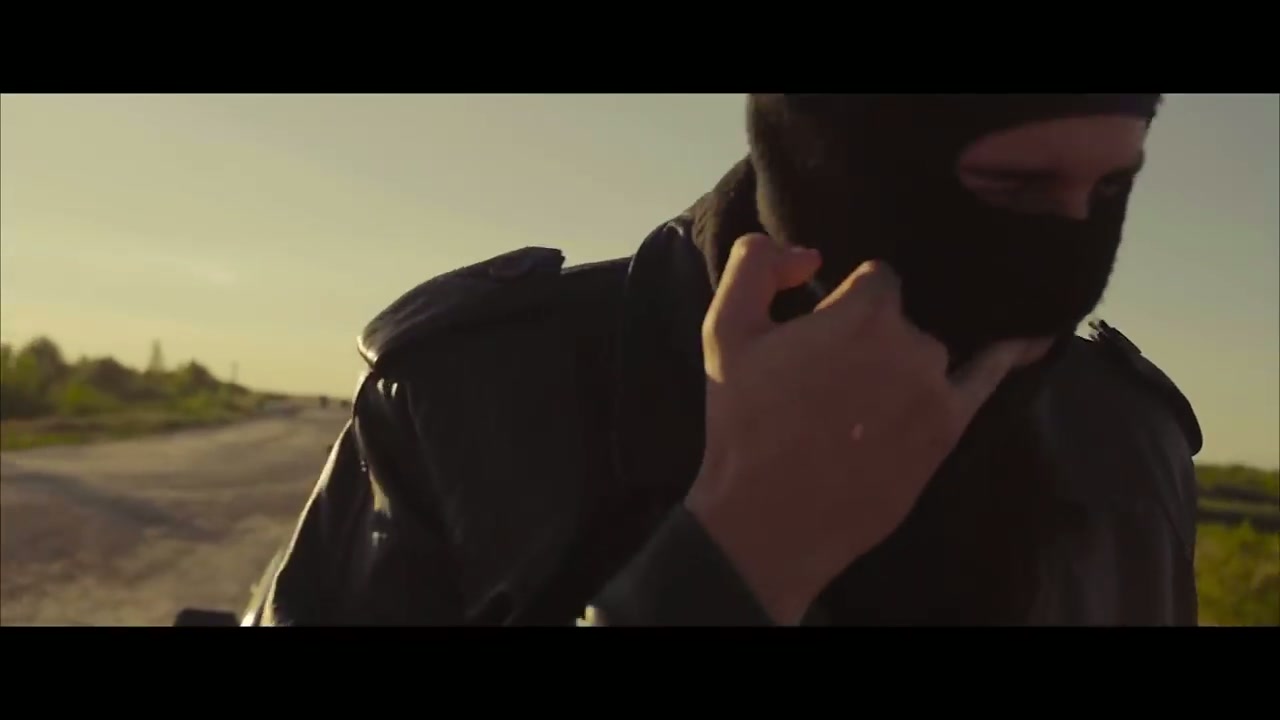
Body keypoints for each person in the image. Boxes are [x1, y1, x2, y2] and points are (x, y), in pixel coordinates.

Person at [245, 94, 1202, 626]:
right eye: (1012, 189)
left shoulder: (1127, 441)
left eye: (1110, 190)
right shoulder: (474, 396)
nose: (1062, 269)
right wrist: (733, 564)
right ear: (838, 161)